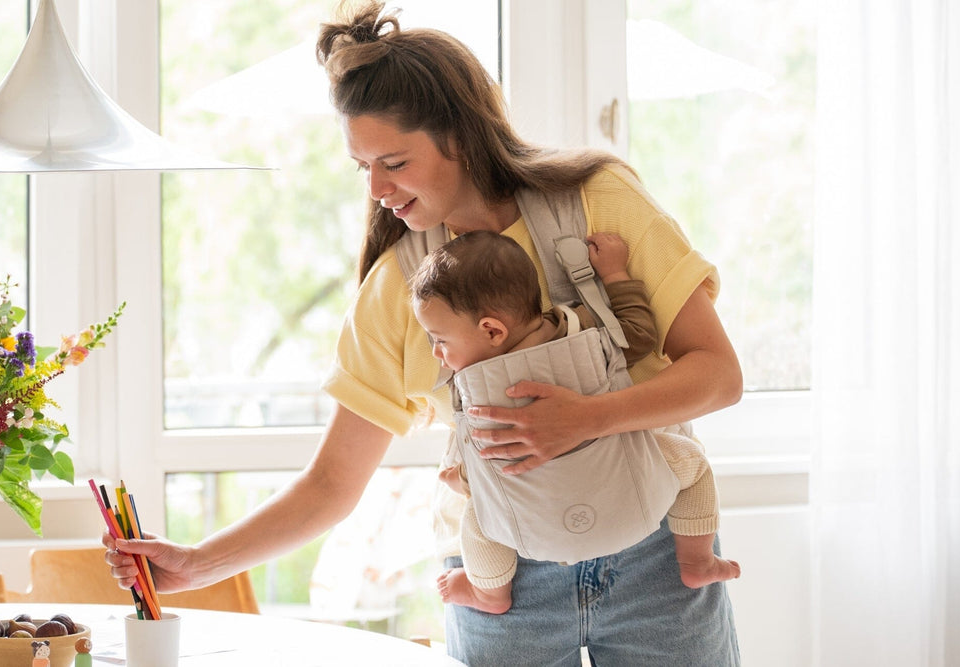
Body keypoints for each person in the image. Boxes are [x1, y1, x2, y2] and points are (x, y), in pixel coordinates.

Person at [105, 2, 743, 664]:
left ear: (458, 139)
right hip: (501, 579)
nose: (377, 187)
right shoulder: (399, 288)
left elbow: (719, 374)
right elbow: (332, 483)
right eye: (365, 168)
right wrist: (196, 563)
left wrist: (588, 418)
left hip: (658, 559)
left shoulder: (595, 200)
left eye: (395, 162)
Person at [410, 230, 740, 616]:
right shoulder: (582, 332)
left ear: (492, 330)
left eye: (440, 340)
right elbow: (638, 334)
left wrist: (464, 481)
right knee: (694, 465)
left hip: (532, 539)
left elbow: (494, 460)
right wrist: (615, 274)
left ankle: (489, 593)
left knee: (478, 519)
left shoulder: (476, 391)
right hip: (634, 509)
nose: (437, 352)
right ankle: (696, 560)